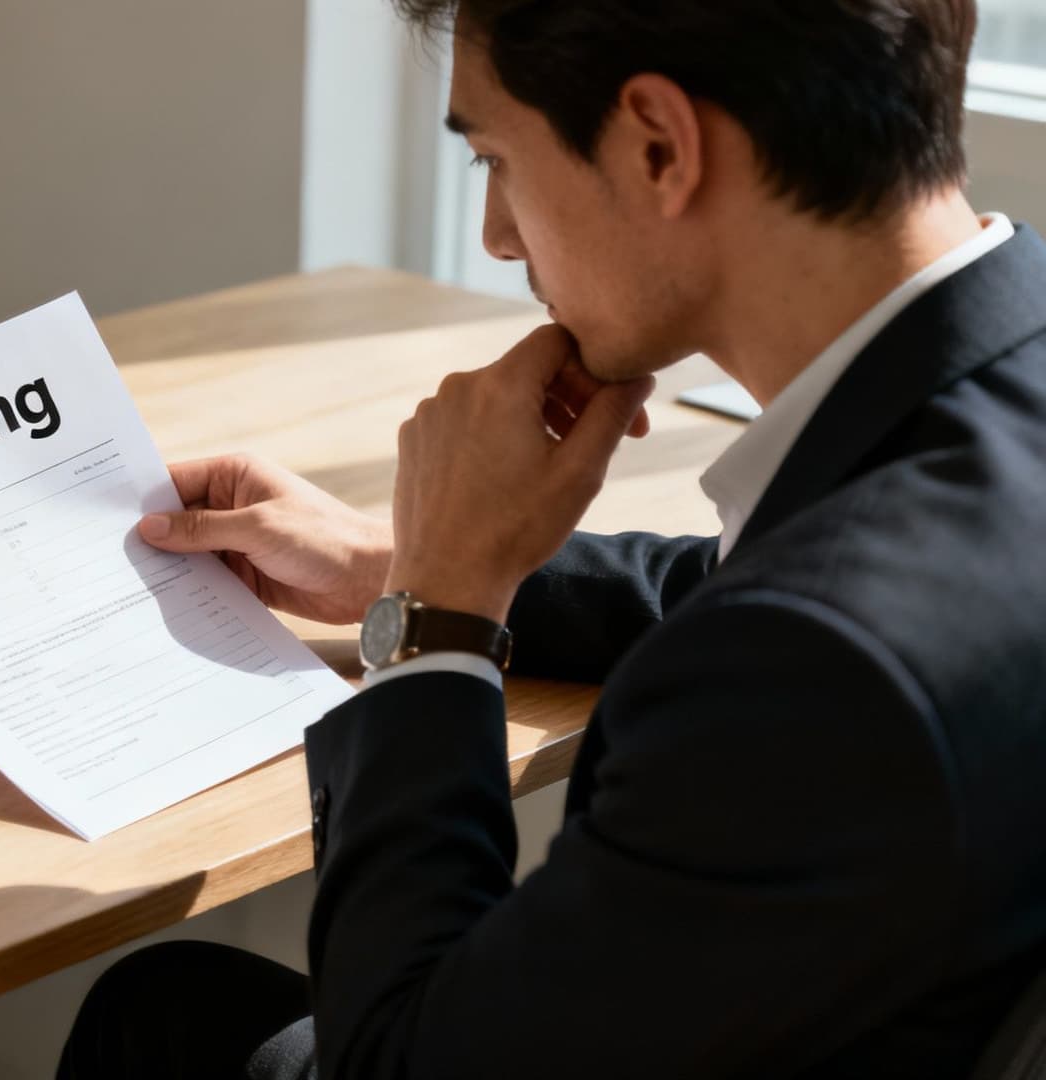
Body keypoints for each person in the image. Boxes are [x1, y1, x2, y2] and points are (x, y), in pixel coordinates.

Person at [56, 1, 1046, 1077]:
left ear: (657, 145)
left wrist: (438, 615)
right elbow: (747, 590)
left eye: (493, 157)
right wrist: (388, 567)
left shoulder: (818, 669)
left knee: (157, 1018)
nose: (495, 234)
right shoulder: (982, 423)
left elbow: (392, 1061)